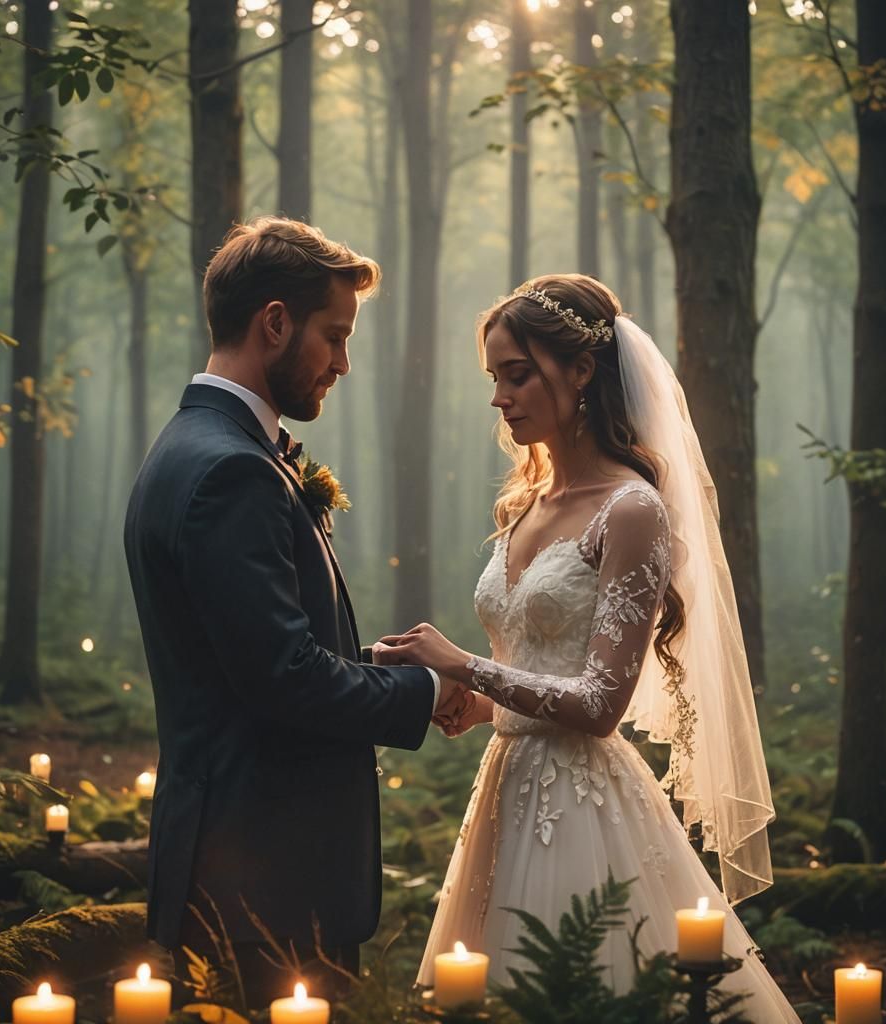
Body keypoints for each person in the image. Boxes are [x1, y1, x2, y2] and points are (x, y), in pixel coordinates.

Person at [374, 275, 801, 1020]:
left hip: (583, 806)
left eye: (518, 375)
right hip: (506, 791)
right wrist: (473, 705)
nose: (501, 398)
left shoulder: (630, 509)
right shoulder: (524, 505)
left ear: (581, 371)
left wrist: (459, 661)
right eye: (495, 379)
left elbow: (601, 704)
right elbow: (536, 668)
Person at [124, 217, 464, 1007]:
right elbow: (282, 680)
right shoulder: (230, 474)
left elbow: (249, 659)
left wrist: (379, 666)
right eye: (333, 336)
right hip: (261, 885)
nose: (343, 363)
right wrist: (427, 693)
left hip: (245, 875)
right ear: (273, 322)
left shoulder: (193, 449)